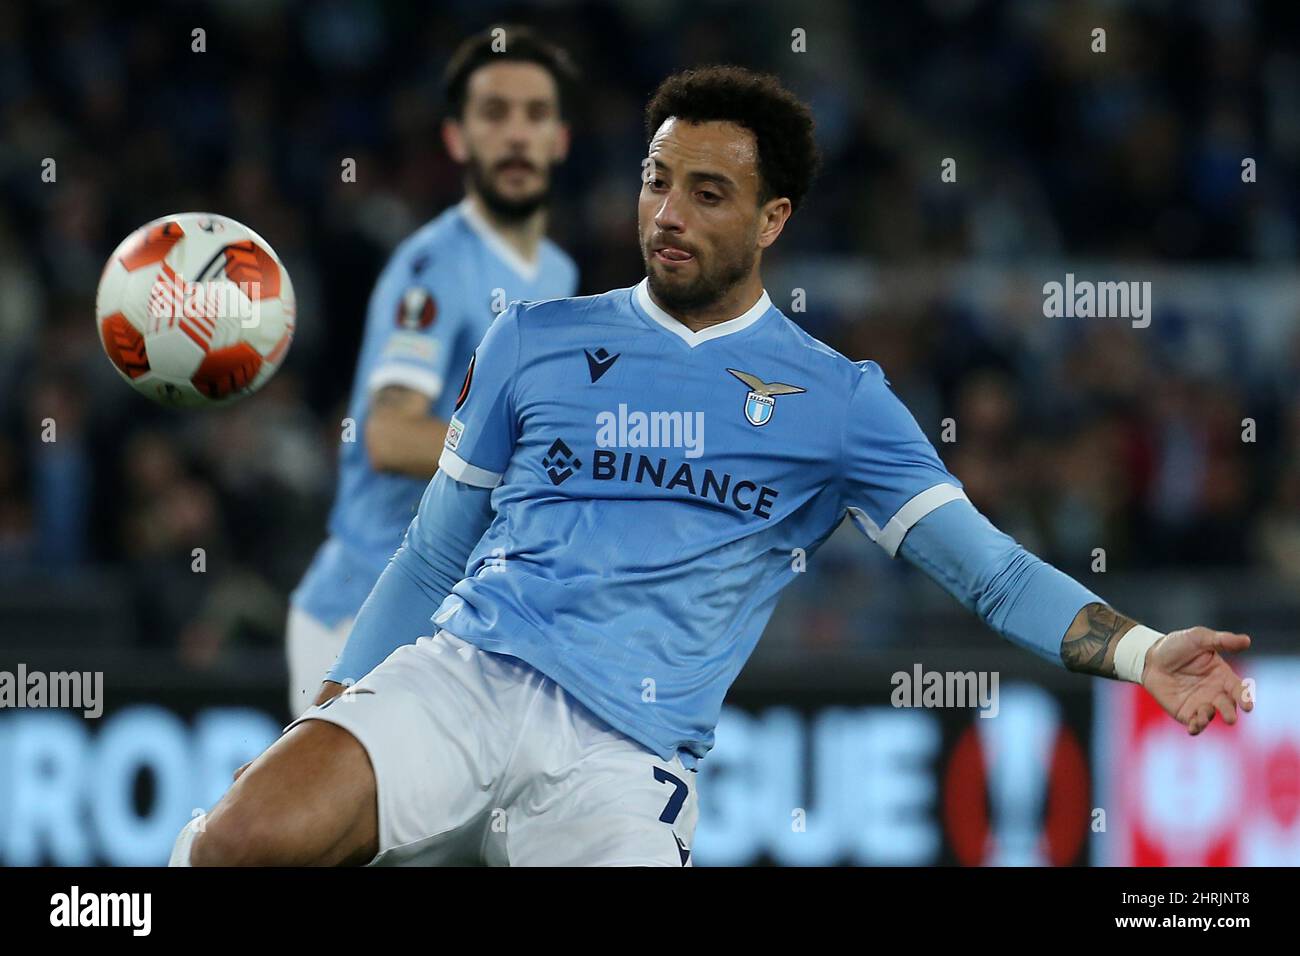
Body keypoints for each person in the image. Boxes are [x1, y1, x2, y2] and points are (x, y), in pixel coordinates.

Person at [175, 66, 1252, 867]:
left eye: (705, 191)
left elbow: (992, 572)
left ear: (772, 217)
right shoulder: (531, 338)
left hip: (627, 755)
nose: (668, 214)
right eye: (655, 182)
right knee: (241, 839)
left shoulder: (839, 401)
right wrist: (324, 709)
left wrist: (1144, 651)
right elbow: (430, 552)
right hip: (471, 673)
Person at [286, 27, 579, 714]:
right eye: (494, 113)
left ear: (561, 139)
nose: (516, 135)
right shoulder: (433, 270)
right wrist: (541, 463)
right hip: (362, 614)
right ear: (457, 139)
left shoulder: (559, 273)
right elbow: (388, 436)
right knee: (318, 826)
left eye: (536, 115)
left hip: (469, 622)